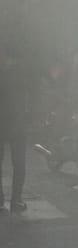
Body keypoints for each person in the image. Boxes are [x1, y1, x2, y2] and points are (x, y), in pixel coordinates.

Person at [0, 48, 31, 214]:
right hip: (18, 124)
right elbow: (27, 99)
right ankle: (16, 200)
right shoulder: (22, 74)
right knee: (19, 163)